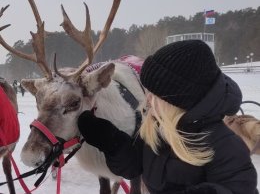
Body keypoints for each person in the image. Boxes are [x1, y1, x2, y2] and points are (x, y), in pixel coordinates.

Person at [78, 40, 258, 194]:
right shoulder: (158, 128)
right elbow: (135, 165)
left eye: (156, 95)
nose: (147, 99)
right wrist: (112, 141)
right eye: (148, 91)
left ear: (180, 100)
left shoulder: (226, 147)